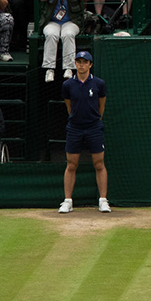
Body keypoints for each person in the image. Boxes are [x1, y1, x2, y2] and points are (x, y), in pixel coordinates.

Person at [59, 50, 108, 213]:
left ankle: (103, 200)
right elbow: (69, 107)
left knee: (99, 163)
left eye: (84, 62)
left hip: (94, 127)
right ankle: (67, 200)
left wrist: (95, 119)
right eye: (79, 62)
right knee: (71, 164)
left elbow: (101, 106)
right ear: (75, 64)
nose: (81, 65)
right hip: (75, 128)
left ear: (90, 65)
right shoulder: (68, 85)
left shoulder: (99, 84)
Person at [38, 0, 90, 84]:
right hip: (52, 21)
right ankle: (50, 68)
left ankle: (69, 68)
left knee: (68, 34)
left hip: (71, 21)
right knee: (51, 35)